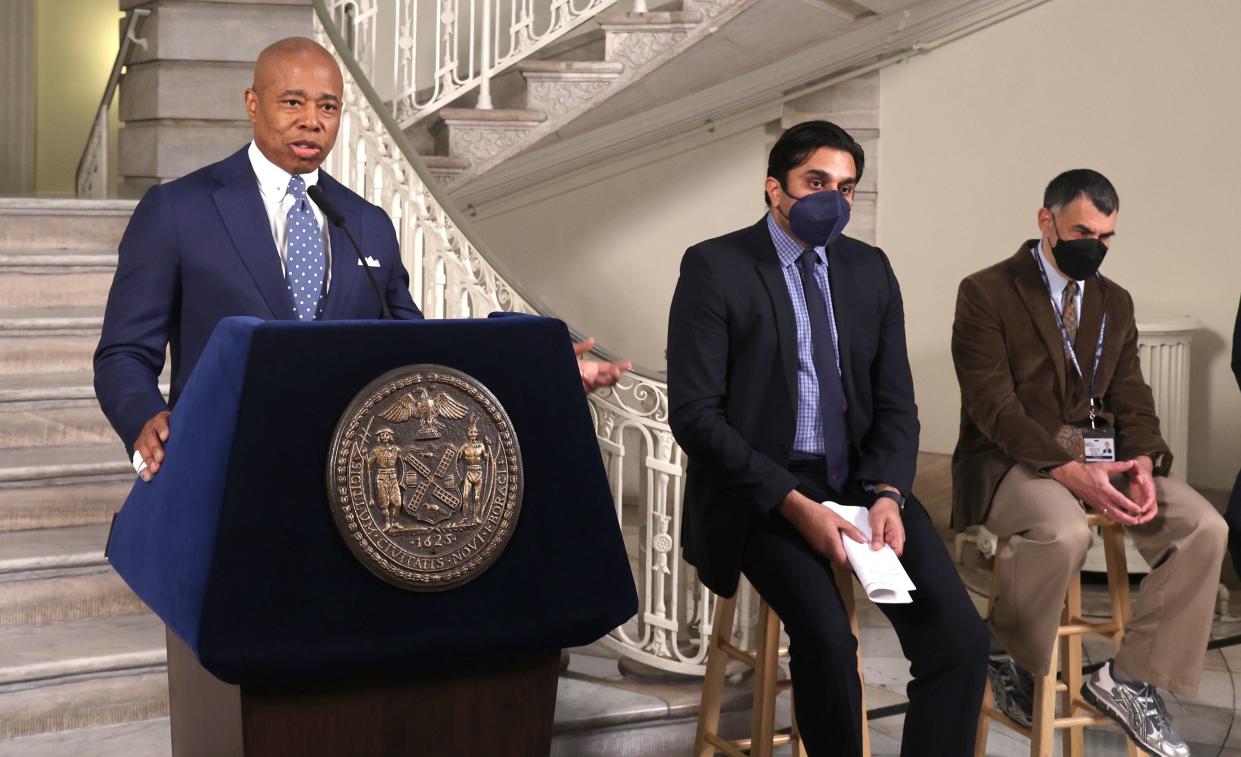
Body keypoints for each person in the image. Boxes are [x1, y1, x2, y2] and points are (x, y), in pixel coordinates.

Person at [94, 37, 627, 480]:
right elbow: (122, 353)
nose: (312, 121)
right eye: (293, 102)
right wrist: (144, 419)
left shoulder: (365, 222)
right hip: (218, 471)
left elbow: (418, 353)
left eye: (327, 106)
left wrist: (539, 369)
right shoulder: (177, 210)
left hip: (349, 481)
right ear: (252, 104)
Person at [667, 120, 988, 757]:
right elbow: (696, 416)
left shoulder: (870, 269)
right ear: (774, 189)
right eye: (817, 182)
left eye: (846, 189)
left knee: (959, 639)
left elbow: (897, 400)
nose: (833, 200)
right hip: (763, 491)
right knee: (827, 639)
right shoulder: (716, 266)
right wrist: (794, 504)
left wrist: (891, 493)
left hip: (863, 484)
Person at [951, 169, 1226, 757]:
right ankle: (1006, 654)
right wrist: (1067, 468)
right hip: (1012, 460)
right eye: (1082, 231)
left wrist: (1146, 462)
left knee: (1207, 526)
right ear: (1045, 220)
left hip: (1104, 458)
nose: (1093, 246)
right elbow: (992, 406)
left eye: (1106, 237)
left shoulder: (1114, 301)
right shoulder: (986, 292)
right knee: (1064, 529)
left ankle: (1127, 680)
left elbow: (1133, 398)